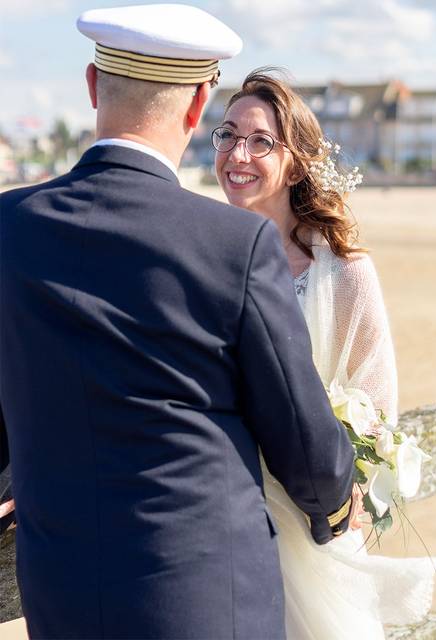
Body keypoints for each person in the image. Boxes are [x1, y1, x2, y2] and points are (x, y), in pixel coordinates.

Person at [0, 6, 355, 638]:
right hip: (205, 596)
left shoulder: (9, 227)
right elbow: (300, 434)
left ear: (91, 86)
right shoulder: (234, 243)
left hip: (62, 593)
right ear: (198, 107)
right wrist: (334, 500)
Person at [213, 68, 436, 639]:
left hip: (316, 521)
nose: (237, 154)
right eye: (227, 134)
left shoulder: (343, 273)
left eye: (260, 141)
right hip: (224, 523)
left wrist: (347, 497)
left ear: (294, 161)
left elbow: (376, 402)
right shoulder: (205, 257)